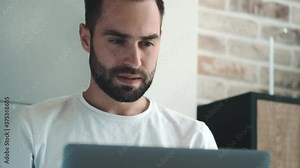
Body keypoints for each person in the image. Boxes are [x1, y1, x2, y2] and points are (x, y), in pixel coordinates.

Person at [1, 0, 217, 167]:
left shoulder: (194, 140)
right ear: (86, 38)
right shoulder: (32, 127)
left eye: (147, 43)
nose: (134, 61)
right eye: (117, 41)